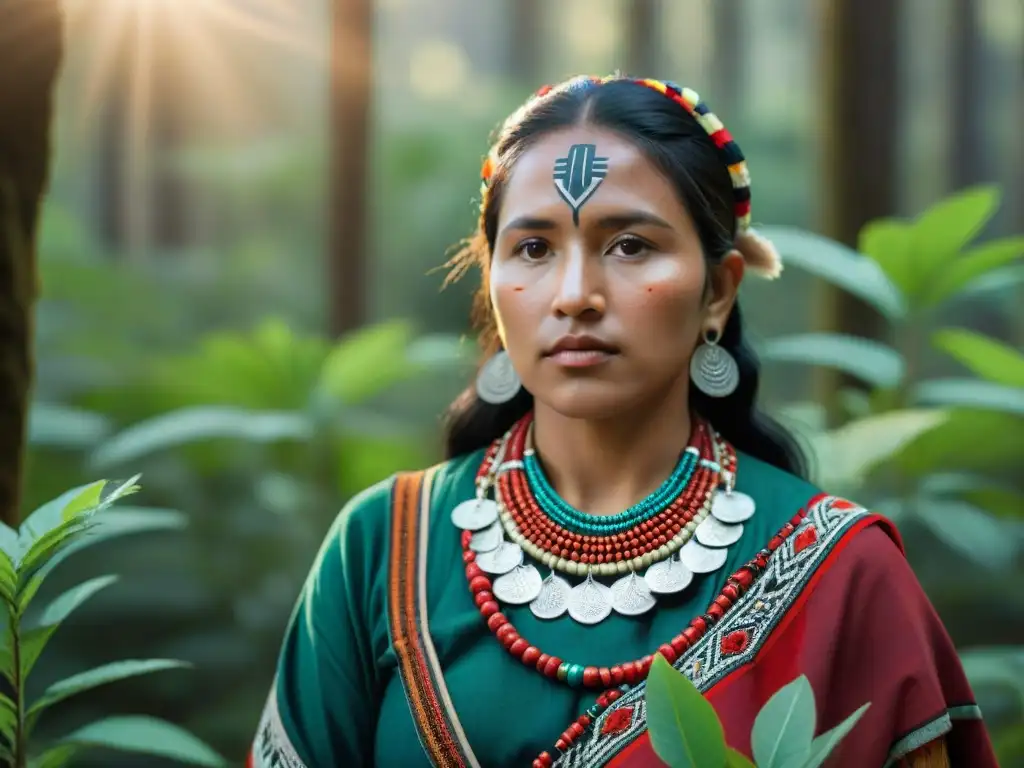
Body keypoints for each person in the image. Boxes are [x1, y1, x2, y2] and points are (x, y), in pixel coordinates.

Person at [247, 75, 997, 768]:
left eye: (630, 245)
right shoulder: (382, 548)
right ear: (494, 283)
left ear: (718, 292)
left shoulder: (841, 572)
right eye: (534, 248)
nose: (574, 294)